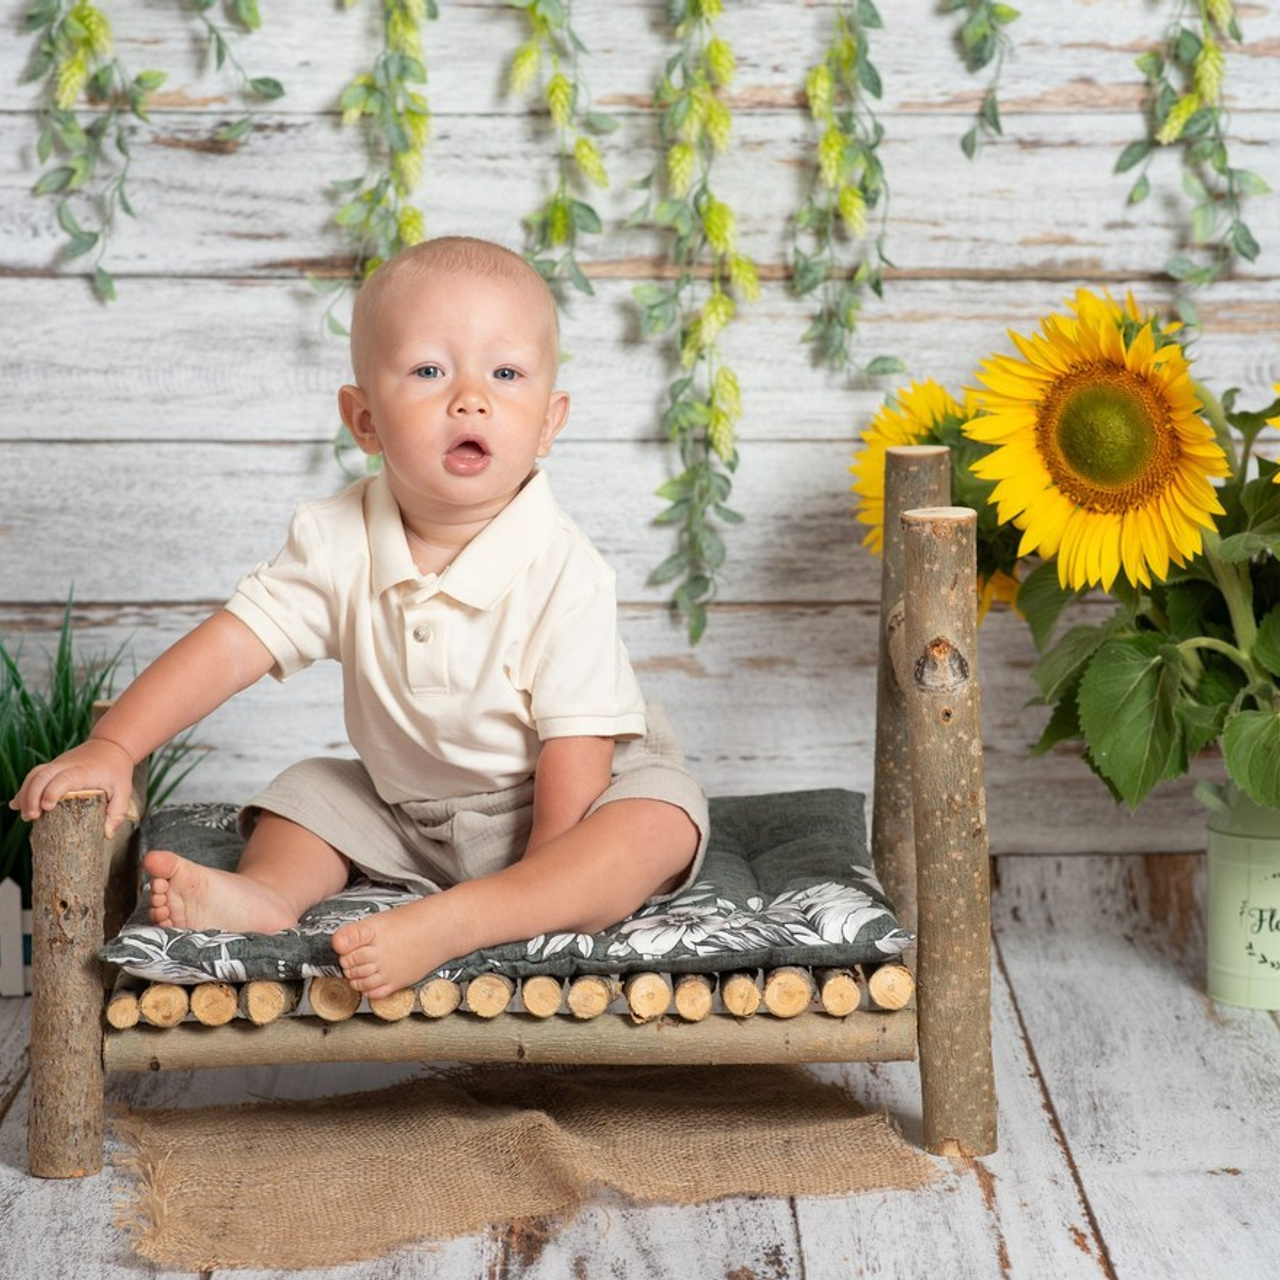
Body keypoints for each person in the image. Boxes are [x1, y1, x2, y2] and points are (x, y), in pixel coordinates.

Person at [11, 236, 707, 1001]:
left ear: (548, 422)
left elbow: (578, 753)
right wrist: (115, 745)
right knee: (307, 792)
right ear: (364, 419)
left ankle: (466, 918)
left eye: (506, 374)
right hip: (408, 808)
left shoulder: (564, 570)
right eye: (430, 371)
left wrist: (538, 884)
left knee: (652, 827)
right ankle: (269, 894)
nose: (470, 397)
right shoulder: (337, 540)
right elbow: (229, 647)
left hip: (571, 793)